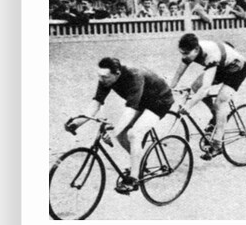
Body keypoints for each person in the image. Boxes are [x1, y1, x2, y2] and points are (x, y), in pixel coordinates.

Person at [66, 58, 174, 194]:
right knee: (121, 135)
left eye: (104, 77)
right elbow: (97, 101)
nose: (101, 80)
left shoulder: (134, 75)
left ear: (117, 74)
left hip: (159, 101)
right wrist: (78, 122)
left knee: (133, 134)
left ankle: (133, 179)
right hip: (141, 100)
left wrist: (113, 132)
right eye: (99, 75)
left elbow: (130, 110)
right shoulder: (106, 78)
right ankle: (139, 162)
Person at [169, 33, 246, 160]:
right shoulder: (191, 51)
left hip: (236, 69)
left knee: (220, 103)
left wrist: (188, 106)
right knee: (195, 87)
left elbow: (205, 89)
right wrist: (170, 88)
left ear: (196, 50)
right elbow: (178, 74)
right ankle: (215, 116)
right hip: (221, 67)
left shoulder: (210, 55)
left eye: (185, 54)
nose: (183, 57)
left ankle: (217, 145)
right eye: (181, 53)